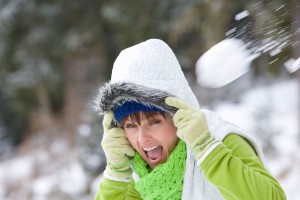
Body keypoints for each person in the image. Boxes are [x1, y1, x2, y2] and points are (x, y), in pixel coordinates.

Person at [93, 39, 286, 200]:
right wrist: (116, 172)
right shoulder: (140, 175)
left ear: (178, 116)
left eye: (154, 122)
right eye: (130, 126)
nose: (143, 139)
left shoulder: (221, 140)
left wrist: (206, 148)